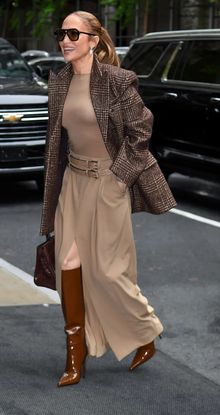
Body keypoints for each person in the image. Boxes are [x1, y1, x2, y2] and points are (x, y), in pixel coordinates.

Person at [40, 10, 176, 387]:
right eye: (61, 33)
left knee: (108, 273)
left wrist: (118, 179)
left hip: (108, 184)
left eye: (73, 33)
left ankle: (145, 331)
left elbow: (140, 132)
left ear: (94, 40)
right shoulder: (60, 81)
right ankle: (75, 354)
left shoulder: (117, 81)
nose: (65, 40)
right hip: (73, 183)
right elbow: (57, 142)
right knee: (68, 264)